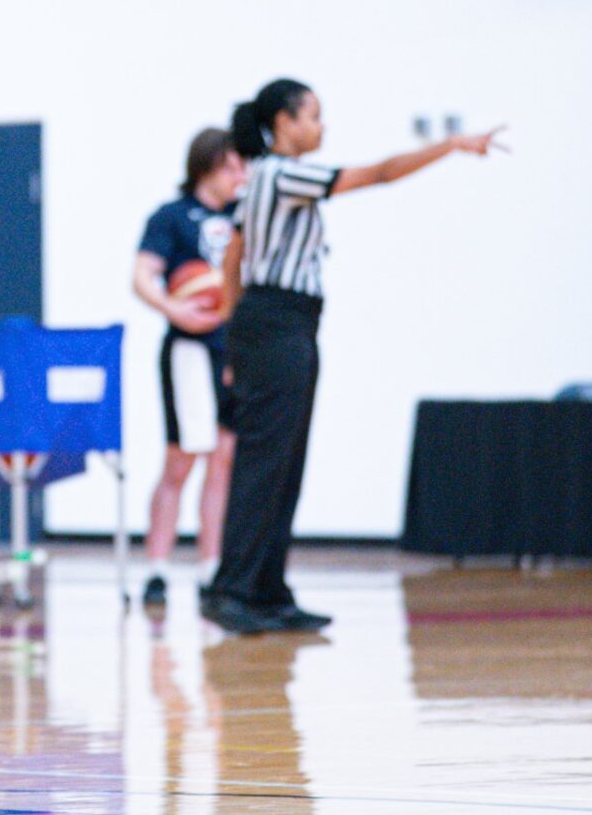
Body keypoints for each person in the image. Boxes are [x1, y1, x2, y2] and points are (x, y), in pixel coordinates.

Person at [202, 79, 503, 634]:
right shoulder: (282, 173)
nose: (322, 126)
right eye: (314, 116)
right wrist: (450, 145)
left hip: (277, 324)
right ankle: (232, 590)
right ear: (284, 122)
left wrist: (232, 330)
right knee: (266, 463)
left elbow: (235, 254)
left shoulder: (260, 179)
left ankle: (265, 590)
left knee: (283, 462)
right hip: (277, 321)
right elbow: (380, 174)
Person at [131, 128, 245, 609]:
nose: (241, 174)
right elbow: (141, 276)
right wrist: (173, 308)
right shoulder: (172, 217)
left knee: (224, 459)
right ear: (207, 165)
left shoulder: (244, 216)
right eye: (232, 166)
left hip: (233, 350)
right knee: (182, 460)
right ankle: (157, 569)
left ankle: (210, 567)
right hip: (189, 349)